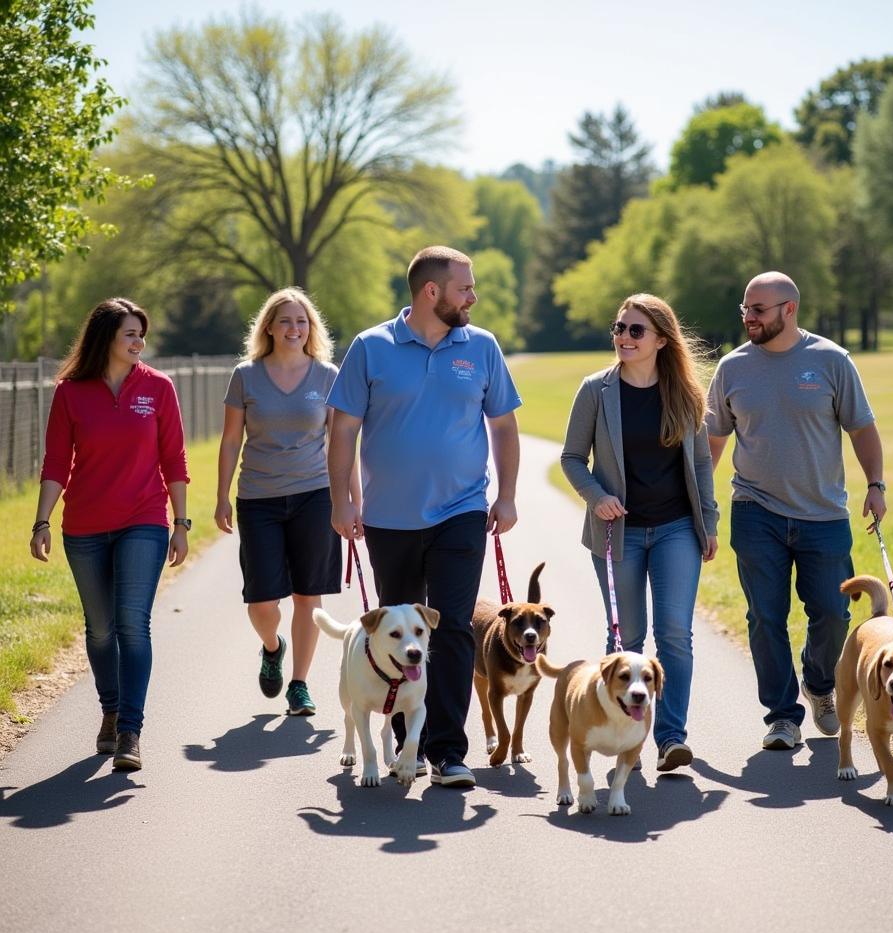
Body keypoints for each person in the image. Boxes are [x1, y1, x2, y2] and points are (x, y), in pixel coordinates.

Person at [326, 245, 522, 788]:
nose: (473, 297)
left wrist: (505, 496)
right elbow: (342, 429)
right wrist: (341, 501)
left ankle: (446, 752)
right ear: (431, 292)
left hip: (461, 511)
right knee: (395, 633)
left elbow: (504, 427)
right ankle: (397, 738)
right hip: (388, 518)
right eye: (466, 288)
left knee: (453, 626)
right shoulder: (371, 347)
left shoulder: (481, 347)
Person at [706, 271, 886, 751]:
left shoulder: (831, 360)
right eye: (745, 309)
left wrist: (875, 483)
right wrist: (701, 502)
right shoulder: (733, 368)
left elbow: (862, 428)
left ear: (789, 309)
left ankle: (820, 683)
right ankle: (782, 716)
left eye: (758, 310)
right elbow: (713, 441)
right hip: (755, 509)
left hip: (823, 513)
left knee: (832, 612)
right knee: (765, 617)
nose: (749, 318)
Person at [30, 297, 190, 771]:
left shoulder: (158, 388)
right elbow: (57, 462)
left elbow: (175, 461)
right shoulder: (70, 393)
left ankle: (130, 732)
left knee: (131, 624)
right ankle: (110, 709)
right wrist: (41, 520)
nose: (139, 342)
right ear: (106, 338)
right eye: (130, 334)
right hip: (84, 526)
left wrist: (180, 524)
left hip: (144, 519)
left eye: (142, 333)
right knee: (99, 629)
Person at [561, 293, 719, 771]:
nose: (623, 337)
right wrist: (596, 496)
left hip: (675, 530)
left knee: (675, 634)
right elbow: (571, 458)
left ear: (660, 340)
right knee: (626, 636)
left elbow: (700, 464)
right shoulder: (595, 390)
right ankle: (619, 733)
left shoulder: (686, 394)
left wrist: (708, 522)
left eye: (635, 330)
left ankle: (670, 737)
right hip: (618, 533)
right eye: (619, 328)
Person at [216, 287, 348, 717]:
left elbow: (342, 444)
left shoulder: (327, 375)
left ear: (311, 328)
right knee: (262, 602)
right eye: (286, 321)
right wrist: (221, 497)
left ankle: (299, 684)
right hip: (259, 498)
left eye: (302, 321)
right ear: (269, 327)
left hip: (315, 496)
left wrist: (350, 500)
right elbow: (231, 438)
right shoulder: (246, 375)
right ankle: (272, 648)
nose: (294, 328)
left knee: (308, 597)